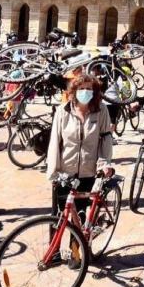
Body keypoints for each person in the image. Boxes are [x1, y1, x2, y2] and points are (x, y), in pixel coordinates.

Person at [46, 75, 113, 216]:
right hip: (65, 173)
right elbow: (55, 141)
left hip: (88, 172)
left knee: (81, 216)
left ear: (94, 91)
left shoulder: (101, 110)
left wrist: (104, 164)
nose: (85, 91)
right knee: (60, 217)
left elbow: (105, 138)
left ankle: (80, 237)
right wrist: (53, 171)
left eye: (89, 88)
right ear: (74, 90)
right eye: (81, 88)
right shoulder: (63, 111)